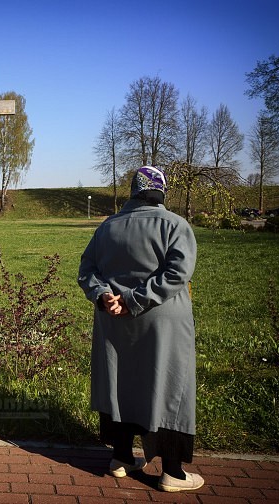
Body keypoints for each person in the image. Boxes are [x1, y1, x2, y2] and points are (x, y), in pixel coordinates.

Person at [77, 166, 203, 492]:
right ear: (161, 192)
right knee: (168, 384)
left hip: (113, 322)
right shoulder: (175, 225)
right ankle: (172, 472)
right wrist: (136, 299)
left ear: (133, 192)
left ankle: (121, 458)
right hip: (162, 321)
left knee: (119, 382)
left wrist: (105, 296)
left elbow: (87, 268)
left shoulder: (107, 228)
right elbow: (177, 273)